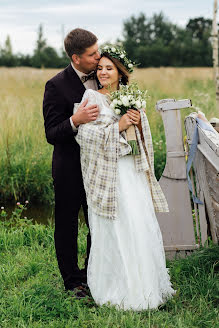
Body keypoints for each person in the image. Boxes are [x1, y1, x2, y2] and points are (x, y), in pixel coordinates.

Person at [75, 46, 176, 310]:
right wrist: (118, 127)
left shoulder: (130, 97)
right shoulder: (91, 97)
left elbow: (143, 137)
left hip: (131, 169)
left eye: (109, 68)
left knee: (137, 222)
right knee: (115, 226)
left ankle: (145, 287)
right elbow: (85, 137)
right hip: (109, 173)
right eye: (100, 68)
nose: (103, 73)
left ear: (120, 72)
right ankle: (115, 289)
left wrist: (138, 123)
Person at [43, 28, 100, 297]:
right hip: (69, 168)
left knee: (98, 222)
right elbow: (51, 133)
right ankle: (72, 281)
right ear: (76, 58)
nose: (98, 57)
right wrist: (75, 121)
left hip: (100, 168)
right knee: (67, 225)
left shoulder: (103, 76)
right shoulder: (55, 85)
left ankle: (93, 273)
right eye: (92, 54)